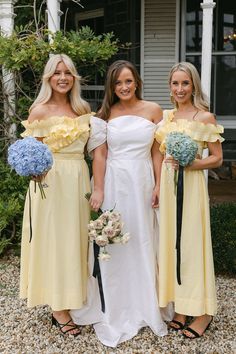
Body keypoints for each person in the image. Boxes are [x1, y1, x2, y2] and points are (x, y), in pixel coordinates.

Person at [71, 60, 173, 347]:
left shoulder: (154, 111)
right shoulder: (104, 114)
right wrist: (99, 190)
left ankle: (145, 302)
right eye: (118, 83)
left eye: (128, 81)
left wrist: (157, 185)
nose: (124, 87)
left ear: (137, 82)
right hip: (115, 181)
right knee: (115, 242)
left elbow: (156, 153)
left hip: (142, 181)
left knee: (143, 239)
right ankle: (113, 303)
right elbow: (100, 155)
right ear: (111, 87)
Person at [20, 54, 106, 336]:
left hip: (78, 180)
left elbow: (96, 153)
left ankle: (74, 298)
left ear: (74, 78)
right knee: (53, 242)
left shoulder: (82, 108)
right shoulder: (39, 111)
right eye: (57, 73)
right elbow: (30, 152)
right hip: (50, 182)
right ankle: (58, 308)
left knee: (75, 241)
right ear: (48, 78)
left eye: (68, 73)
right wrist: (34, 172)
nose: (62, 78)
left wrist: (98, 187)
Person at [155, 61, 224, 339]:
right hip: (169, 189)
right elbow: (158, 153)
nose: (180, 88)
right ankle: (181, 306)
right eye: (175, 83)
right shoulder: (166, 117)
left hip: (192, 187)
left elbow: (217, 158)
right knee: (172, 245)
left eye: (185, 83)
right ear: (170, 87)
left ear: (193, 85)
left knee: (193, 245)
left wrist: (191, 165)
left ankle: (204, 311)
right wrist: (159, 185)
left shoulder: (205, 117)